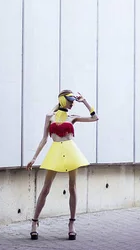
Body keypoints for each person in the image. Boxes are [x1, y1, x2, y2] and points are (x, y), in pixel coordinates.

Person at [26, 90, 98, 240]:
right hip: (55, 152)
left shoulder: (73, 117)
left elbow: (95, 118)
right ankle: (34, 222)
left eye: (73, 101)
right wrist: (34, 158)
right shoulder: (49, 117)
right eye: (70, 100)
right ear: (63, 101)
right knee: (46, 188)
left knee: (72, 187)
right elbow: (44, 140)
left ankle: (72, 224)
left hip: (71, 152)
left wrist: (84, 101)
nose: (72, 103)